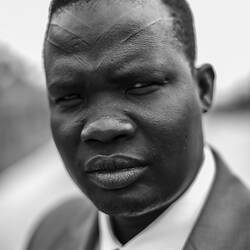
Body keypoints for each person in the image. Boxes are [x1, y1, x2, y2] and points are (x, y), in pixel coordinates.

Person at [27, 0, 250, 249]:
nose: (101, 127)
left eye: (140, 86)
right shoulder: (49, 233)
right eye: (69, 97)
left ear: (203, 89)